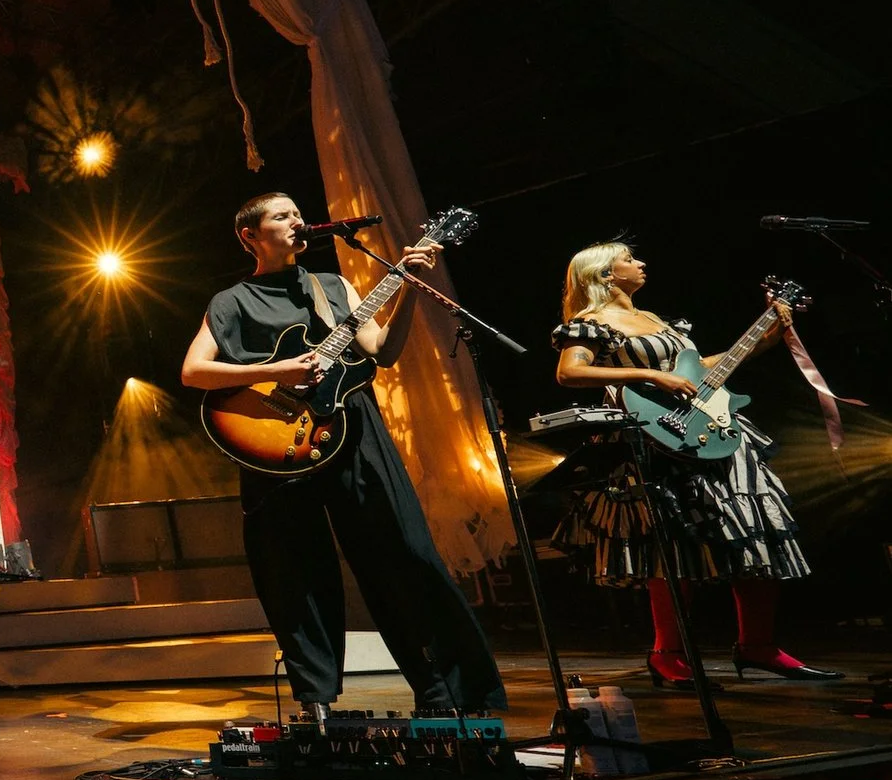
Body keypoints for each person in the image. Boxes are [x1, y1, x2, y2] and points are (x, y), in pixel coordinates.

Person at [179, 191, 504, 716]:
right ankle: (316, 702)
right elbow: (194, 372)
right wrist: (276, 371)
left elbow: (383, 352)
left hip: (356, 431)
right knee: (297, 571)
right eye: (282, 216)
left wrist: (409, 290)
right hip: (275, 440)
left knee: (404, 552)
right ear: (250, 236)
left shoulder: (332, 287)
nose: (297, 220)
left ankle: (446, 693)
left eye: (298, 212)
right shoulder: (231, 300)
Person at [550, 241, 833, 683]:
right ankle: (667, 652)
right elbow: (570, 372)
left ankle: (758, 645)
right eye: (628, 259)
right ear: (605, 275)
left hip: (714, 430)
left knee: (755, 530)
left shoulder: (658, 321)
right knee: (670, 546)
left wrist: (767, 336)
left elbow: (701, 369)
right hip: (655, 439)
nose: (640, 263)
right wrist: (649, 373)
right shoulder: (592, 323)